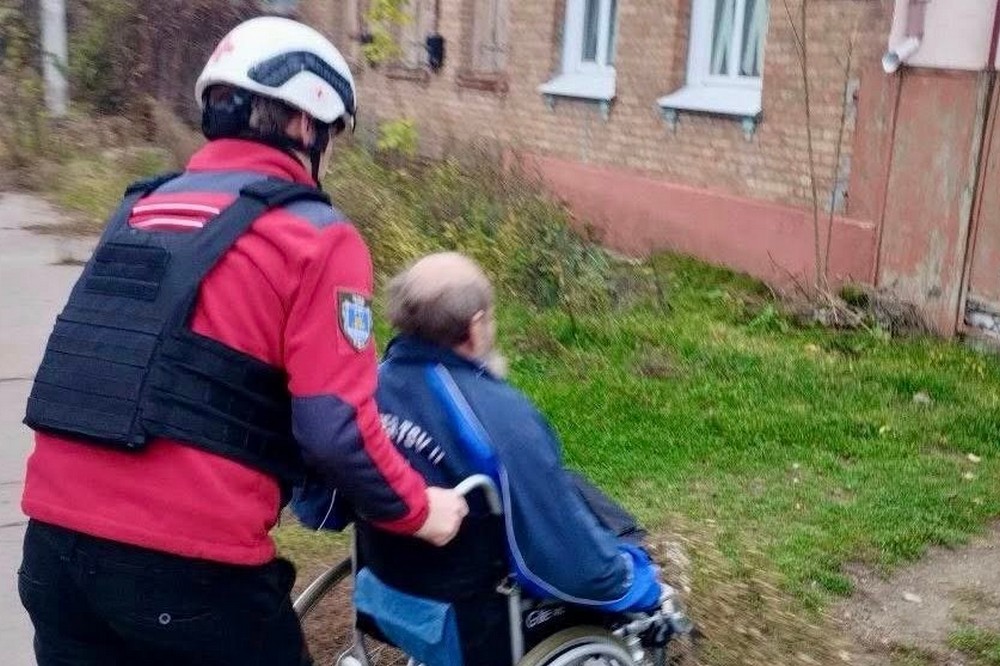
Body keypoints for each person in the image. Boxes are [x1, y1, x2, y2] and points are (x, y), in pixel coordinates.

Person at [17, 17, 467, 666]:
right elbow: (335, 429)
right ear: (305, 125)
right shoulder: (315, 236)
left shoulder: (139, 210)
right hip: (189, 571)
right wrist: (420, 510)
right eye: (333, 136)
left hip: (54, 555)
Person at [310, 252, 663, 666]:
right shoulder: (499, 416)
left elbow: (320, 510)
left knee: (564, 486)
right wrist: (635, 581)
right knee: (591, 540)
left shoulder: (361, 395)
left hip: (382, 600)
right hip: (469, 631)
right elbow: (563, 565)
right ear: (475, 326)